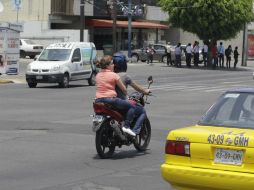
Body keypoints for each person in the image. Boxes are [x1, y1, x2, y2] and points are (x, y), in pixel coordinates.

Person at [95, 55, 136, 136]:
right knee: (131, 107)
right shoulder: (114, 75)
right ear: (108, 66)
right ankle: (126, 126)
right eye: (112, 64)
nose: (114, 65)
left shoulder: (98, 75)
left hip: (98, 100)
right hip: (111, 100)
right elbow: (124, 89)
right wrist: (127, 96)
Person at [113, 52, 150, 135]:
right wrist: (145, 91)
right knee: (142, 111)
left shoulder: (109, 74)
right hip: (121, 103)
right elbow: (136, 87)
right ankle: (134, 131)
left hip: (109, 103)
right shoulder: (125, 76)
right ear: (123, 64)